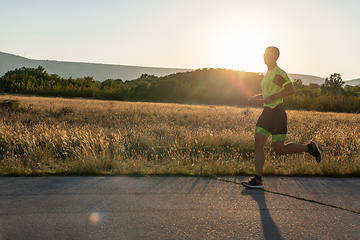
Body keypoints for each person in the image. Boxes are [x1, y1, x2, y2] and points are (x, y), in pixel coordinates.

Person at [242, 46, 322, 189]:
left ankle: (310, 148)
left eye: (266, 54)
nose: (263, 56)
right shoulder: (269, 74)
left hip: (277, 113)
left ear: (274, 56)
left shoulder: (278, 73)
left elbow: (290, 90)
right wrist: (257, 97)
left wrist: (272, 97)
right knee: (258, 142)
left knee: (279, 150)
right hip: (267, 113)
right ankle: (257, 179)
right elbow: (270, 92)